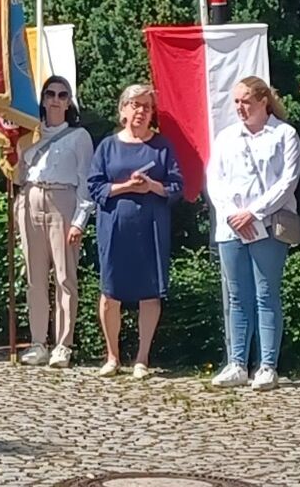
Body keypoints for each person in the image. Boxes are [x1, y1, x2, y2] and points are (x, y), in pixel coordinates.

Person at [206, 76, 299, 390]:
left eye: (246, 101)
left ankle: (268, 365)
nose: (240, 107)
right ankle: (237, 364)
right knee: (237, 296)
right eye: (236, 101)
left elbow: (287, 181)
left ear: (263, 101)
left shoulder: (284, 134)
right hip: (231, 226)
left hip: (267, 225)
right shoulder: (227, 137)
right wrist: (232, 214)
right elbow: (214, 179)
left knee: (265, 293)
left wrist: (254, 212)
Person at [87, 83, 185, 379]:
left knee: (149, 293)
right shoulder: (108, 146)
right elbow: (95, 186)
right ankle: (112, 356)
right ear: (123, 110)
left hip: (151, 227)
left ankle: (142, 358)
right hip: (114, 227)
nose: (141, 111)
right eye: (135, 105)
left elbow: (176, 187)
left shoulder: (162, 146)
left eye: (147, 106)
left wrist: (151, 186)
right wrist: (126, 187)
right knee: (110, 293)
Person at [14, 74, 94, 369]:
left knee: (64, 276)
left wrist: (80, 219)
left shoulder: (79, 136)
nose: (56, 100)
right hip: (31, 198)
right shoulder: (29, 136)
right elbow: (18, 175)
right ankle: (38, 342)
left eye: (62, 95)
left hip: (63, 200)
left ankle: (63, 343)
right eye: (50, 94)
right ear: (43, 100)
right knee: (35, 277)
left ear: (69, 101)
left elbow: (86, 181)